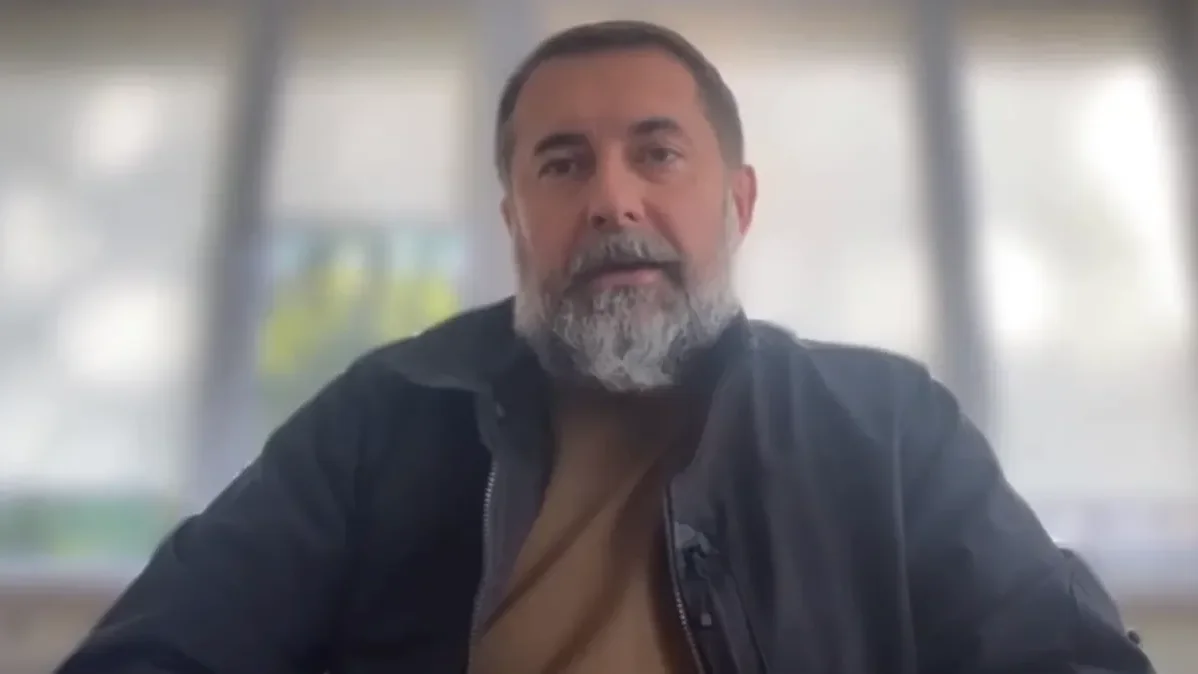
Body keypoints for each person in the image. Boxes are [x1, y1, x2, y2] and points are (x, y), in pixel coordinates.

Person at [59, 19, 1155, 674]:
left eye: (657, 155)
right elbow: (157, 651)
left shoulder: (888, 425)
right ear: (515, 221)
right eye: (563, 164)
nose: (611, 199)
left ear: (737, 203)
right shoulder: (383, 413)